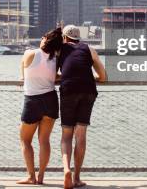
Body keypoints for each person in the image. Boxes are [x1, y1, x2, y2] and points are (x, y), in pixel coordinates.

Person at [58, 25, 106, 189]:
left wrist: (64, 75)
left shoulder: (59, 50)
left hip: (69, 90)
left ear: (65, 38)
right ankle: (77, 177)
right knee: (81, 134)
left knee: (66, 135)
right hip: (88, 91)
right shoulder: (89, 50)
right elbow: (103, 77)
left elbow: (50, 75)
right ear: (79, 38)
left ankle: (66, 170)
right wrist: (88, 75)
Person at [17, 27, 63, 185]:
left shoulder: (30, 53)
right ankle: (41, 176)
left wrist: (23, 77)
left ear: (45, 39)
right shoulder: (55, 59)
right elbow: (55, 76)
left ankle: (31, 176)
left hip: (32, 100)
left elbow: (23, 66)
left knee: (25, 140)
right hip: (50, 99)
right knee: (44, 140)